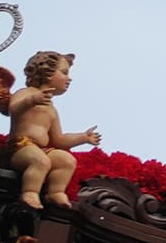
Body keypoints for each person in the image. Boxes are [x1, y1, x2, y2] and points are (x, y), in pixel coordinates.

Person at [6, 51, 100, 210]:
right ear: (46, 73)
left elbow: (58, 139)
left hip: (42, 149)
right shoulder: (25, 93)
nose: (69, 79)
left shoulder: (51, 109)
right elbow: (13, 109)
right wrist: (32, 100)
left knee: (66, 160)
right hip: (21, 147)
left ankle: (55, 192)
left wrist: (83, 137)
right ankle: (30, 192)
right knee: (40, 161)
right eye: (64, 72)